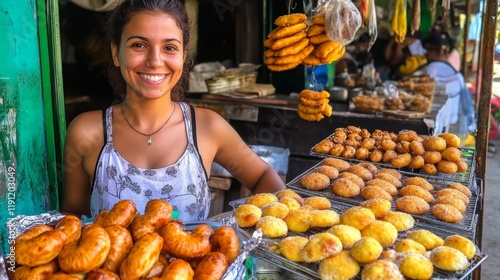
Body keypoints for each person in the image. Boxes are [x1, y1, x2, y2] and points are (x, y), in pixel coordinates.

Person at [61, 0, 286, 222]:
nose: (155, 61)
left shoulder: (208, 127)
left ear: (183, 56)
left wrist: (249, 230)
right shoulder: (87, 133)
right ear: (115, 52)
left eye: (169, 48)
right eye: (139, 45)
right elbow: (73, 217)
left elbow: (263, 177)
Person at [416, 33, 475, 137]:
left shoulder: (431, 69)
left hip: (437, 122)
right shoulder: (456, 73)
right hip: (452, 121)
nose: (426, 54)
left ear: (434, 51)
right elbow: (466, 102)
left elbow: (422, 92)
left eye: (428, 50)